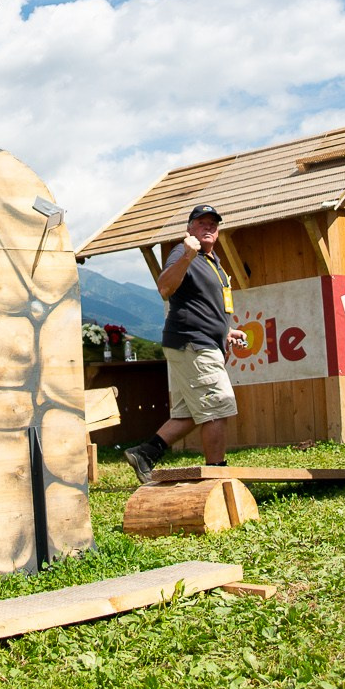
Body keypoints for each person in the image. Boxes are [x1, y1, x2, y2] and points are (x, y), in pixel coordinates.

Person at [123, 205, 243, 483]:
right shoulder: (183, 252)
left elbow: (205, 307)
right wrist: (188, 254)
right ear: (190, 229)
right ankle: (217, 474)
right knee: (217, 405)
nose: (208, 228)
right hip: (193, 343)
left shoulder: (215, 262)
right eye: (201, 223)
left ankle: (145, 453)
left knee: (191, 412)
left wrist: (226, 332)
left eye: (213, 223)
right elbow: (165, 288)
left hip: (200, 341)